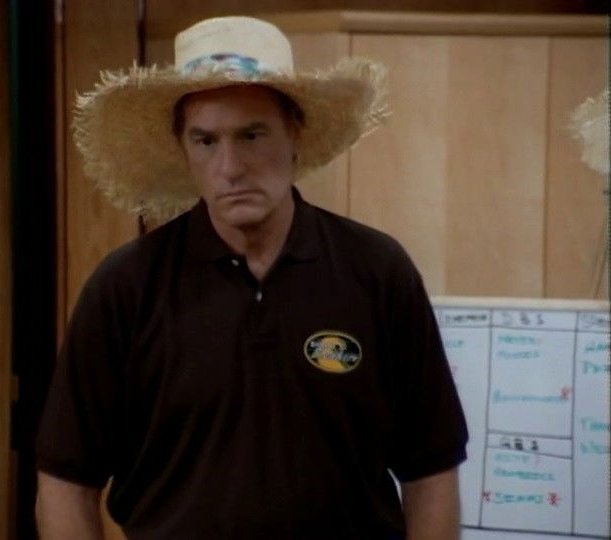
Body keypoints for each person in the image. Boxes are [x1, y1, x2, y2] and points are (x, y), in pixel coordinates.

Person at [35, 15, 468, 540]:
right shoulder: (126, 287)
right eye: (205, 141)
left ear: (295, 133)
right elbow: (66, 480)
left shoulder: (377, 272)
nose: (230, 167)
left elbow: (432, 469)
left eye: (252, 135)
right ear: (183, 148)